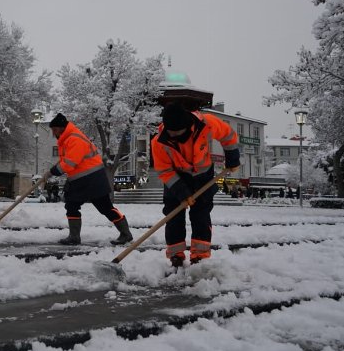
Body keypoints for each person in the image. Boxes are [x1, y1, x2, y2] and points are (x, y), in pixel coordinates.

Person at [151, 103, 240, 268]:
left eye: (178, 132)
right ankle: (176, 255)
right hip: (176, 178)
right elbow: (164, 170)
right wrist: (181, 192)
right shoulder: (159, 141)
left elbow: (228, 135)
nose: (174, 135)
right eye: (171, 132)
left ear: (187, 125)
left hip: (203, 177)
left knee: (201, 215)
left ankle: (199, 255)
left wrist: (232, 157)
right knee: (173, 216)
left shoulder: (206, 123)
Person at [43, 113, 133, 246]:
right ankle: (74, 237)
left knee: (105, 208)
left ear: (62, 128)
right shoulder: (66, 139)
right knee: (71, 205)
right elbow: (67, 162)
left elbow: (70, 162)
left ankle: (126, 233)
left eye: (55, 129)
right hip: (80, 179)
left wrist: (52, 172)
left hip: (92, 179)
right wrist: (53, 170)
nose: (53, 133)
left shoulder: (74, 138)